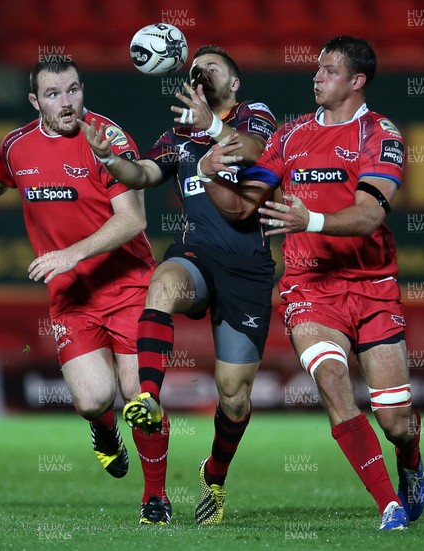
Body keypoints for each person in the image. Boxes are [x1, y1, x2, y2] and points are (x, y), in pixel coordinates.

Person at [0, 60, 172, 525]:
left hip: (130, 287)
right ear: (35, 102)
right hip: (72, 299)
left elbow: (133, 219)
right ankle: (103, 432)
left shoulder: (105, 138)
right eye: (54, 94)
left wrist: (72, 253)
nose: (67, 102)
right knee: (94, 401)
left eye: (73, 90)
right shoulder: (18, 146)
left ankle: (154, 498)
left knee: (141, 395)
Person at [198, 36, 424, 531]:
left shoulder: (379, 134)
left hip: (371, 284)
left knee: (396, 422)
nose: (316, 76)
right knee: (332, 383)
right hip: (308, 286)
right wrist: (209, 171)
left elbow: (368, 217)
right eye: (317, 68)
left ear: (356, 80)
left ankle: (410, 461)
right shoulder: (291, 134)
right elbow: (241, 206)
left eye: (328, 70)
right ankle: (389, 505)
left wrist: (312, 221)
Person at [80, 45, 277, 525]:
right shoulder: (177, 134)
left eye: (215, 68)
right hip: (196, 255)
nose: (202, 73)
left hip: (248, 269)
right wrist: (111, 160)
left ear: (234, 84)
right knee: (163, 283)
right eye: (198, 67)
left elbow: (257, 153)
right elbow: (144, 173)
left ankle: (214, 472)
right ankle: (147, 395)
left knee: (233, 395)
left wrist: (211, 124)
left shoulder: (256, 117)